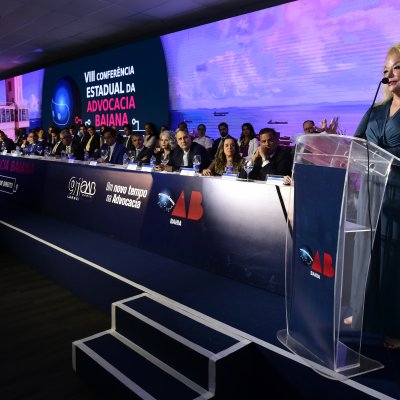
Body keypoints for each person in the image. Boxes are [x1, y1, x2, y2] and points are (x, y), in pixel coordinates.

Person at [353, 43, 400, 349]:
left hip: (399, 200)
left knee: (394, 264)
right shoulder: (376, 110)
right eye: (385, 69)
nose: (389, 74)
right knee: (372, 260)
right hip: (372, 196)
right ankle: (370, 316)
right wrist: (329, 138)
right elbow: (354, 144)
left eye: (396, 67)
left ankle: (395, 325)